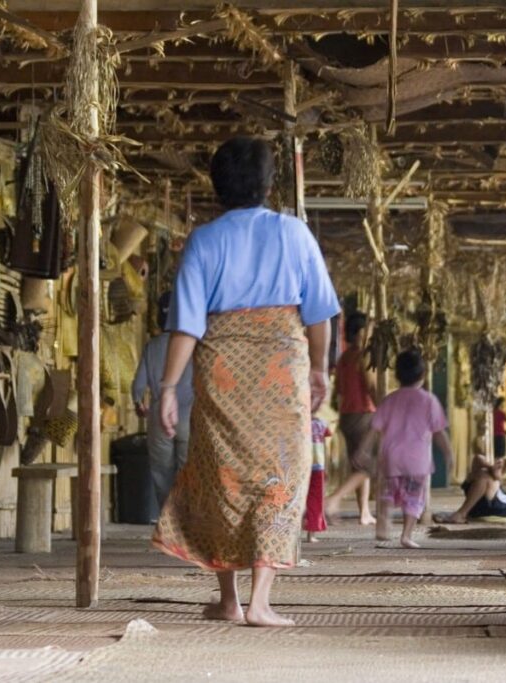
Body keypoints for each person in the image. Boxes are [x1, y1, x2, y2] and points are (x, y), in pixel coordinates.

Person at [152, 137, 341, 627]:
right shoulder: (295, 234)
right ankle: (260, 600)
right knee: (282, 475)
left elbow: (187, 325)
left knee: (223, 477)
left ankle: (230, 600)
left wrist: (168, 388)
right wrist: (320, 368)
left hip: (223, 375)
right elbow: (319, 313)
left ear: (216, 187)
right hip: (282, 372)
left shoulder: (204, 240)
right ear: (269, 183)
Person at [352, 349, 454, 548]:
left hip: (392, 457)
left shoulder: (390, 400)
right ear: (423, 374)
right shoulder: (429, 400)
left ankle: (383, 520)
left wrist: (362, 450)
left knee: (388, 492)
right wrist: (448, 454)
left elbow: (374, 428)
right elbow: (440, 432)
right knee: (414, 497)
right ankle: (406, 536)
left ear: (396, 375)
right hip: (417, 460)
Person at [132, 292, 194, 515]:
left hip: (160, 416)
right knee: (188, 470)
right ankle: (185, 523)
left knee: (161, 471)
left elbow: (139, 384)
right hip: (191, 416)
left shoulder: (153, 346)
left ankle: (167, 522)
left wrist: (139, 401)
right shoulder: (196, 345)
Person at [325, 312, 378, 525]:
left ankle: (364, 511)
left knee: (359, 464)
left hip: (346, 415)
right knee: (368, 466)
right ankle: (333, 500)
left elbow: (338, 389)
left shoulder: (344, 358)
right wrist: (384, 408)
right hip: (364, 414)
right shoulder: (363, 356)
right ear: (362, 332)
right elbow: (371, 386)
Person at [303, 416, 330, 543]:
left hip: (302, 465)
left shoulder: (296, 418)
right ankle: (310, 534)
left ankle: (307, 533)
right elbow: (324, 447)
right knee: (315, 499)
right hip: (317, 464)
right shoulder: (320, 423)